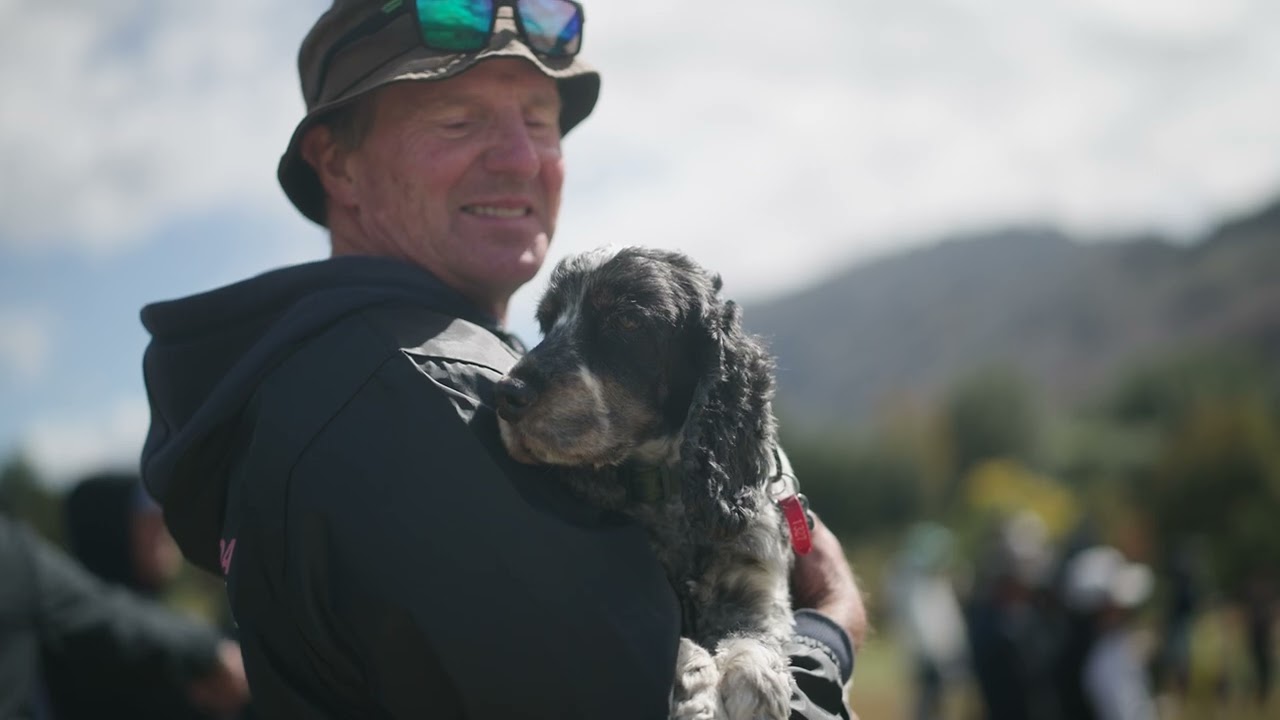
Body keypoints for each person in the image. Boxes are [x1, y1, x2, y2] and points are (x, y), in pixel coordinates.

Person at [137, 1, 867, 718]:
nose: (522, 159)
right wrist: (829, 626)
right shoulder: (425, 396)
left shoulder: (308, 379)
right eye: (460, 121)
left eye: (542, 123)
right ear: (337, 163)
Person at [39, 471, 248, 719]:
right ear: (109, 527)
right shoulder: (95, 643)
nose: (161, 517)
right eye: (144, 507)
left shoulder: (164, 626)